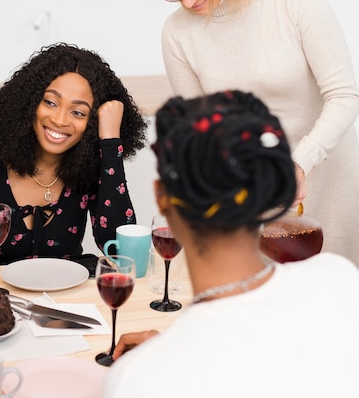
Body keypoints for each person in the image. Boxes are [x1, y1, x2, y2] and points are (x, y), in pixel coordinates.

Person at [104, 90, 359, 397]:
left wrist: (161, 358)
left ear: (162, 197)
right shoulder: (339, 277)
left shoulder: (138, 379)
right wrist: (168, 348)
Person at [145, 0, 359, 263]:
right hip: (250, 191)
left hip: (325, 175)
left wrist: (300, 163)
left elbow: (344, 95)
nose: (186, 1)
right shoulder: (177, 32)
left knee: (330, 303)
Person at [0, 43, 147, 269]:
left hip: (68, 300)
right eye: (50, 102)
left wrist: (111, 143)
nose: (60, 120)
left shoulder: (89, 167)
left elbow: (121, 253)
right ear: (29, 102)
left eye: (78, 112)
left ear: (91, 124)